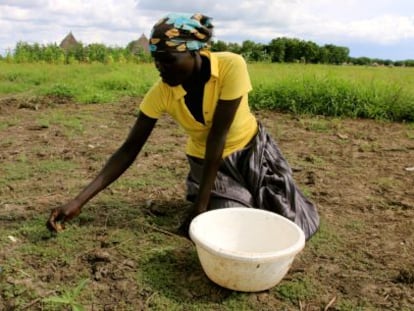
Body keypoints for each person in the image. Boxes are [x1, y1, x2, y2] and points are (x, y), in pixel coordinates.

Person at [47, 12, 319, 240]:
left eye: (168, 59)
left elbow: (218, 136)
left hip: (252, 151)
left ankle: (223, 196)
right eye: (156, 59)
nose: (160, 67)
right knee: (227, 224)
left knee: (292, 223)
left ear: (194, 52)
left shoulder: (231, 67)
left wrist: (200, 206)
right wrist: (77, 202)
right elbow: (128, 150)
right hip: (207, 162)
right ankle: (223, 195)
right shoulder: (162, 91)